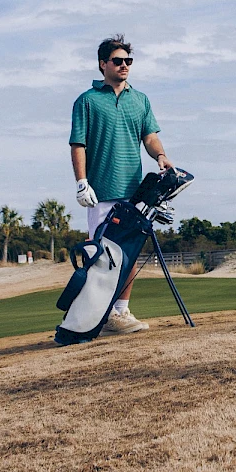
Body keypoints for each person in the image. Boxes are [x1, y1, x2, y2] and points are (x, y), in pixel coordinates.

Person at [69, 34, 174, 333]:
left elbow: (150, 136)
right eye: (118, 61)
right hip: (100, 192)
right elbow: (78, 145)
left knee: (128, 254)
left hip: (134, 191)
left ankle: (120, 313)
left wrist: (161, 156)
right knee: (102, 258)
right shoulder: (87, 101)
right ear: (103, 64)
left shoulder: (140, 100)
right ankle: (94, 317)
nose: (124, 65)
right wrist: (81, 182)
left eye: (128, 61)